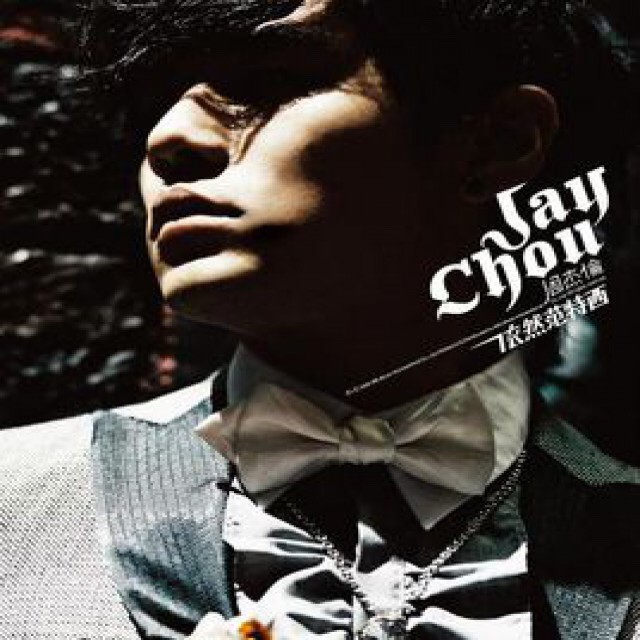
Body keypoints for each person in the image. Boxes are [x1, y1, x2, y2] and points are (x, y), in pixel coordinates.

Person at [1, 0, 639, 638]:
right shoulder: (15, 501)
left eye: (267, 78)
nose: (169, 138)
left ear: (501, 141)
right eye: (154, 104)